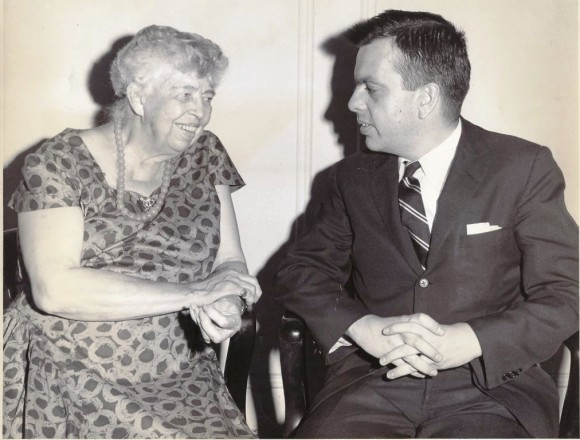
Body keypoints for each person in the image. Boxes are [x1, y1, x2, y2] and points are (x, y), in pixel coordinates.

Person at [276, 9, 578, 439]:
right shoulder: (349, 180)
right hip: (370, 386)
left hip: (491, 392)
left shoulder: (522, 168)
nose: (351, 102)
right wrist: (366, 329)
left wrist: (470, 340)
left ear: (426, 98)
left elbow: (567, 292)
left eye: (371, 88)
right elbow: (301, 271)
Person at [3, 25, 261, 438]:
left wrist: (226, 302)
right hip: (71, 368)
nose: (200, 110)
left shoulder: (206, 155)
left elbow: (228, 261)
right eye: (184, 94)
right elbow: (55, 291)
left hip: (177, 366)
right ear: (139, 97)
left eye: (207, 95)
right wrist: (196, 295)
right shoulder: (59, 161)